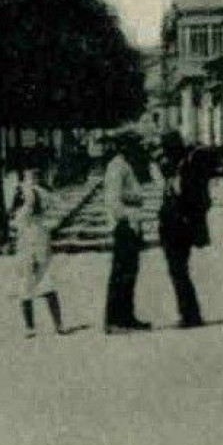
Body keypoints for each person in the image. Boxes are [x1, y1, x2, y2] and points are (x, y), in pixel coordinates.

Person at [157, 133, 208, 329]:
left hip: (179, 228)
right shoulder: (175, 168)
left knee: (179, 271)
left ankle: (191, 315)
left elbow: (197, 199)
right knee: (178, 271)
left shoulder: (187, 169)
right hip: (172, 227)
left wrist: (187, 217)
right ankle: (188, 313)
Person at [103, 133, 151, 333]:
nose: (139, 148)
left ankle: (127, 317)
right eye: (136, 145)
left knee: (129, 273)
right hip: (125, 226)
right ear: (125, 148)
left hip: (131, 224)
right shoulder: (117, 167)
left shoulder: (125, 165)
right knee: (121, 274)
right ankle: (114, 321)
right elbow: (113, 201)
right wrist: (127, 222)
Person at [11, 165, 67, 338]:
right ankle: (58, 325)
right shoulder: (43, 192)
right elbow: (59, 207)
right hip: (41, 235)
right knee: (45, 280)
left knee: (26, 283)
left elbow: (17, 219)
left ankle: (30, 327)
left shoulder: (24, 192)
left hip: (28, 238)